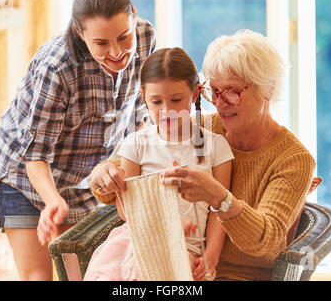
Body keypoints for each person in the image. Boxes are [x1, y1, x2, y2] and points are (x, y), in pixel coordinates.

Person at [89, 29, 316, 281]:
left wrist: (220, 199)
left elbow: (267, 240)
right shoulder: (204, 127)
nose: (219, 103)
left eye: (232, 91)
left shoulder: (292, 159)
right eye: (214, 91)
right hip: (168, 258)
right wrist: (102, 173)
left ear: (268, 89)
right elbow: (128, 175)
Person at [0, 0, 155, 281]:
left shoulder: (145, 38)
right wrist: (52, 200)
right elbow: (35, 154)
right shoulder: (58, 66)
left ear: (133, 15)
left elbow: (140, 117)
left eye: (123, 36)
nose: (117, 52)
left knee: (82, 274)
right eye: (101, 44)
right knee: (39, 277)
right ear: (80, 33)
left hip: (86, 178)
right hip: (25, 177)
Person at [83, 47, 233, 281]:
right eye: (156, 102)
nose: (167, 111)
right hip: (136, 241)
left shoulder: (217, 147)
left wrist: (210, 258)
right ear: (143, 97)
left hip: (183, 252)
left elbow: (220, 210)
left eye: (176, 100)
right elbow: (125, 210)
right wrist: (167, 222)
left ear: (194, 94)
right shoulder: (136, 144)